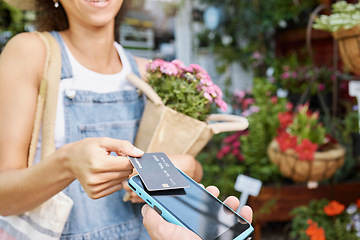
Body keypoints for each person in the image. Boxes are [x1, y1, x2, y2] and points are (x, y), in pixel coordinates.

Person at [0, 0, 251, 239]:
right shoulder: (31, 53)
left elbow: (187, 168)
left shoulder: (150, 75)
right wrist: (67, 164)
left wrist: (190, 167)